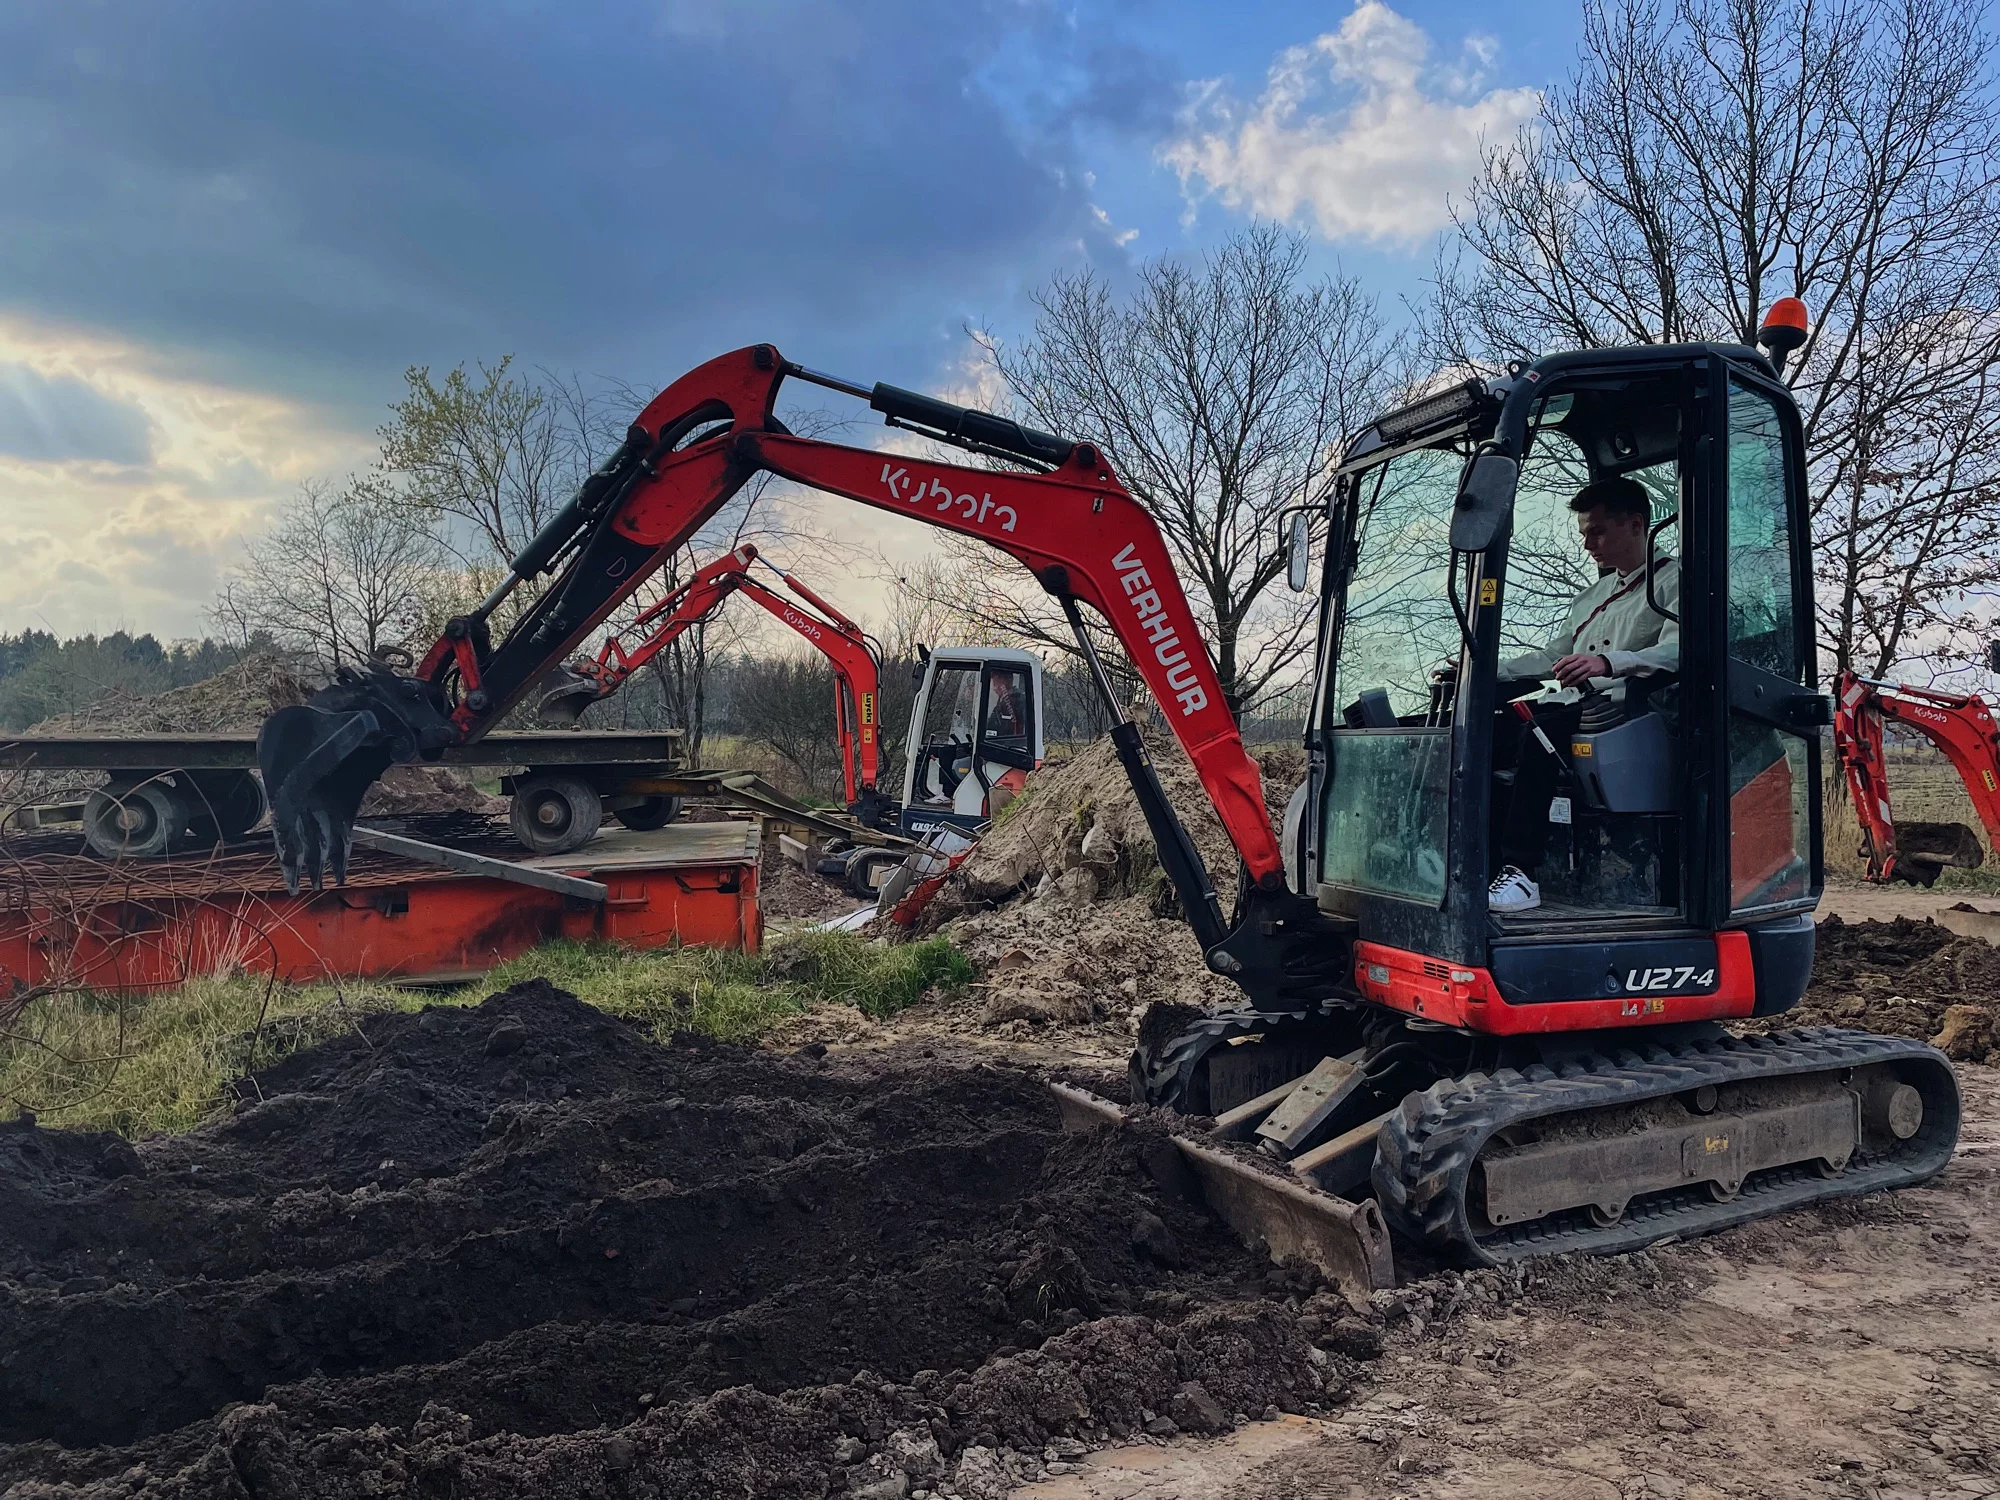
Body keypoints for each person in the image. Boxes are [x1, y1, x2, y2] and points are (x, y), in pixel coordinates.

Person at [1487, 475, 1679, 914]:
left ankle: (1523, 874)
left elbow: (1680, 649)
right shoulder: (1594, 595)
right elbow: (1555, 654)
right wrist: (1484, 670)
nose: (1588, 544)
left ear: (1635, 525)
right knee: (1486, 734)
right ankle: (1486, 862)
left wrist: (1611, 663)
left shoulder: (1674, 582)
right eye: (1584, 534)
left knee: (1536, 738)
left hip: (1627, 714)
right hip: (1580, 707)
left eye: (1597, 531)